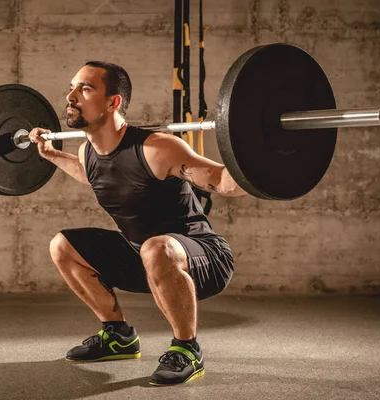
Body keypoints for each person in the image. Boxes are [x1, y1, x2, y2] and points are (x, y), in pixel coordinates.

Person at [28, 61, 247, 386]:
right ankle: (118, 335)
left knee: (155, 247)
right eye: (72, 87)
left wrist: (257, 150)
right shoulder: (89, 152)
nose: (71, 96)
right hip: (145, 256)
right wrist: (52, 155)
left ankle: (188, 350)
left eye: (85, 89)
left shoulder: (156, 148)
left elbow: (225, 182)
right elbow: (96, 177)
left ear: (113, 102)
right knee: (62, 246)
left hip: (204, 258)